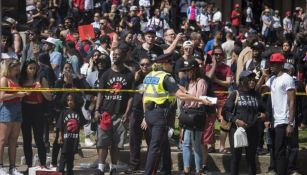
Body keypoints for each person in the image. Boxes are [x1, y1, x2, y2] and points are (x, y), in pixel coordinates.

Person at [142, 53, 211, 175]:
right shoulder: (166, 77)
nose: (172, 65)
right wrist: (200, 99)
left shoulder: (149, 76)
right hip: (159, 115)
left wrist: (144, 115)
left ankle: (166, 171)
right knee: (156, 148)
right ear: (164, 64)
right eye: (170, 63)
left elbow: (145, 97)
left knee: (163, 145)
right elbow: (179, 95)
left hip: (149, 113)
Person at [94, 48, 134, 175]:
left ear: (123, 56)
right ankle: (101, 168)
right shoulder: (106, 74)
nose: (115, 56)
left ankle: (114, 167)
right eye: (114, 54)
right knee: (102, 142)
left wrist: (127, 113)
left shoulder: (128, 74)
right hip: (105, 113)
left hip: (120, 114)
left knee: (116, 144)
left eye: (118, 54)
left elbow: (131, 97)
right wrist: (96, 110)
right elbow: (100, 94)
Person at [222, 70, 265, 175]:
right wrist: (236, 120)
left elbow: (265, 110)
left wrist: (264, 115)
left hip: (253, 130)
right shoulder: (235, 94)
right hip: (237, 131)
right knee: (236, 158)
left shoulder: (257, 95)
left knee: (251, 159)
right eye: (249, 79)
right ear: (242, 81)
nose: (252, 81)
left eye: (253, 79)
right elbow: (225, 112)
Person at [265, 53, 296, 175]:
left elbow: (292, 102)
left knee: (280, 151)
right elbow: (260, 88)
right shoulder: (272, 79)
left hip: (284, 121)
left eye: (274, 64)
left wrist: (290, 123)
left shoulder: (287, 79)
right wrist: (264, 75)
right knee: (276, 150)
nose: (272, 66)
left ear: (281, 64)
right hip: (275, 120)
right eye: (271, 63)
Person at [19, 60, 52, 170]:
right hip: (25, 109)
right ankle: (28, 164)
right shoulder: (21, 80)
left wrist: (41, 89)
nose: (32, 70)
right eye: (30, 68)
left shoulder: (41, 79)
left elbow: (49, 97)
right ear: (26, 69)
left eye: (34, 68)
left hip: (38, 109)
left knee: (39, 138)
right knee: (26, 138)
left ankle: (42, 163)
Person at [180, 59, 211, 175]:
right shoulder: (190, 82)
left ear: (195, 70)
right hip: (187, 114)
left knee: (196, 144)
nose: (187, 72)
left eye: (189, 70)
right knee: (186, 143)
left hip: (196, 115)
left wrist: (185, 93)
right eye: (186, 70)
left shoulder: (201, 82)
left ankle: (199, 170)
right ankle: (186, 169)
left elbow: (199, 100)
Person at [125, 57, 152, 174]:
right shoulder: (134, 76)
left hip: (151, 111)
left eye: (147, 64)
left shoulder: (154, 76)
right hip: (136, 111)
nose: (145, 66)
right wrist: (134, 80)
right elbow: (128, 93)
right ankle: (134, 165)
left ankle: (152, 165)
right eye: (142, 64)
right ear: (139, 65)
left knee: (151, 140)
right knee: (134, 140)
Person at [0, 60, 27, 175]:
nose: (18, 71)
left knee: (13, 139)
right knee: (2, 139)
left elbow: (17, 94)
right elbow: (2, 96)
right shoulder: (4, 79)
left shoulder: (16, 79)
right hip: (7, 108)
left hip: (17, 108)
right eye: (16, 68)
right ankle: (1, 166)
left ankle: (12, 167)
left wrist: (23, 94)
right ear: (10, 68)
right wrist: (17, 94)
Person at [205, 46, 232, 153]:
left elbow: (228, 82)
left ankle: (222, 146)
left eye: (220, 54)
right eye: (215, 54)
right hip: (210, 97)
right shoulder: (208, 66)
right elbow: (207, 78)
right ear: (212, 55)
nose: (218, 56)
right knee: (210, 122)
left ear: (223, 55)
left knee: (223, 122)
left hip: (223, 97)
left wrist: (216, 80)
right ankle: (211, 145)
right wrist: (214, 65)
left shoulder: (227, 68)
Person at [57, 93, 84, 175]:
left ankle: (70, 171)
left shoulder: (78, 112)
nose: (69, 102)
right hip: (65, 138)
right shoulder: (64, 112)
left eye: (71, 100)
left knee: (71, 156)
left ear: (75, 101)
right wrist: (59, 136)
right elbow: (60, 126)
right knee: (63, 155)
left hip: (74, 139)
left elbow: (83, 123)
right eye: (68, 100)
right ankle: (61, 171)